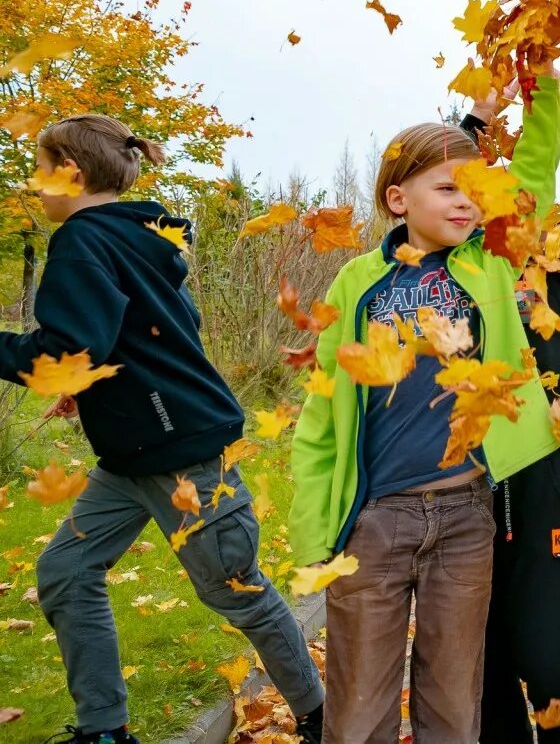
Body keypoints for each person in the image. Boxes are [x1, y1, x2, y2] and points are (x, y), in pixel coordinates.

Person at [1, 115, 324, 744]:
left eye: (41, 170)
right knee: (67, 572)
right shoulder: (137, 237)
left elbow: (76, 345)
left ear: (71, 171)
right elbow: (154, 327)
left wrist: (72, 368)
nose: (36, 185)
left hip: (184, 458)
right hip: (130, 459)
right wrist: (91, 384)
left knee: (237, 590)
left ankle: (320, 716)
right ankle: (105, 731)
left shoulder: (83, 240)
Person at [288, 75, 560, 744]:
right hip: (373, 521)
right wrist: (314, 533)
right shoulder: (360, 280)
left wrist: (545, 96)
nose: (466, 201)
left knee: (451, 702)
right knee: (357, 708)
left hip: (466, 515)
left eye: (473, 191)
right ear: (396, 198)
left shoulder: (489, 265)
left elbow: (526, 184)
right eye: (447, 189)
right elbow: (326, 408)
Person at [466, 49, 560, 744]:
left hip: (544, 468)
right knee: (481, 651)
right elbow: (442, 186)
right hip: (462, 476)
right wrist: (477, 120)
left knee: (550, 648)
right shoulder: (454, 276)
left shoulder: (555, 281)